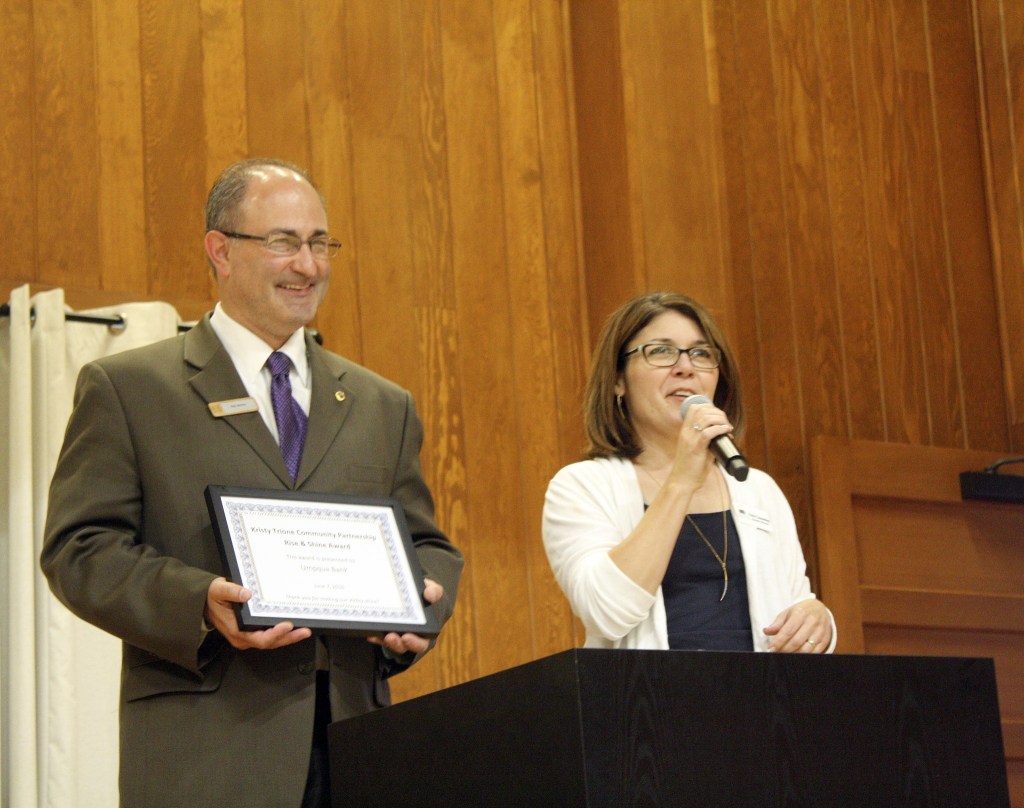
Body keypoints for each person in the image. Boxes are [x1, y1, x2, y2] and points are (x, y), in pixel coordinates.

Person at [41, 158, 463, 808]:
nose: (309, 265)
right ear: (221, 251)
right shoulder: (130, 390)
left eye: (319, 243)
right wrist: (197, 601)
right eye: (283, 242)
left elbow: (428, 545)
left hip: (355, 745)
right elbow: (80, 550)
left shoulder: (383, 404)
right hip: (206, 756)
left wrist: (419, 605)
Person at [542, 291, 835, 654]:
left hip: (764, 701)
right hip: (647, 703)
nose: (685, 367)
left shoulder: (758, 488)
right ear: (618, 379)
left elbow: (796, 601)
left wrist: (818, 618)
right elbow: (607, 613)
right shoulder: (582, 486)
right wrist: (681, 480)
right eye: (661, 351)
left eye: (701, 353)